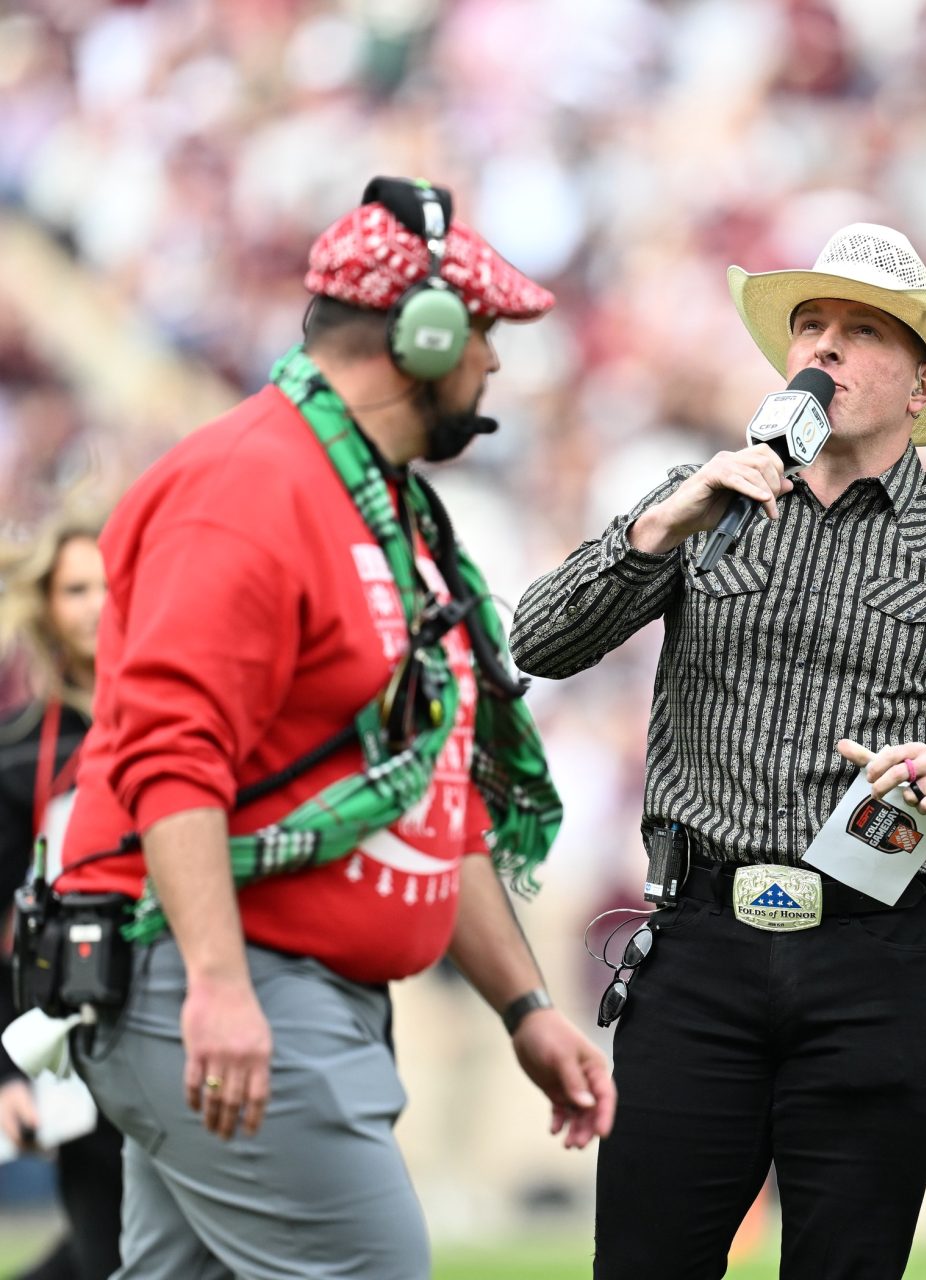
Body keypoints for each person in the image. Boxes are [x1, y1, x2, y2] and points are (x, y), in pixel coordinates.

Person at [54, 177, 613, 1279]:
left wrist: (526, 1006)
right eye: (485, 332)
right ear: (424, 333)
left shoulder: (381, 506)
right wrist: (216, 986)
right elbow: (172, 755)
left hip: (285, 989)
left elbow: (431, 806)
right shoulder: (247, 488)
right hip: (230, 978)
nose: (494, 363)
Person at [510, 221, 926, 1279]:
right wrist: (661, 526)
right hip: (697, 942)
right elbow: (538, 638)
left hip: (874, 953)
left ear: (921, 382)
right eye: (810, 325)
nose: (825, 346)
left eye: (861, 331)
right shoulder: (706, 499)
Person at [0, 517, 120, 1280]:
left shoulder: (187, 729)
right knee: (110, 1247)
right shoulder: (17, 758)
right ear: (46, 607)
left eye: (111, 585)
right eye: (78, 589)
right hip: (71, 1041)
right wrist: (8, 1072)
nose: (98, 606)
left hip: (180, 1024)